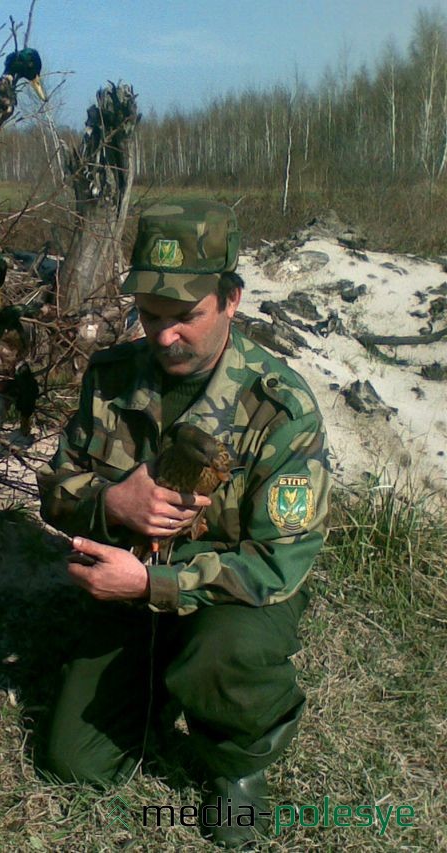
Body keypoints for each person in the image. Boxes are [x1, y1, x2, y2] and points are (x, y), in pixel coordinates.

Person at [37, 200, 331, 848]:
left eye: (185, 316)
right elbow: (55, 491)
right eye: (150, 315)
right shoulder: (110, 378)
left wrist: (154, 585)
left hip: (232, 601)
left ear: (231, 298)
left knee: (225, 653)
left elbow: (279, 562)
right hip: (125, 589)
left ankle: (240, 759)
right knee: (77, 765)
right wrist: (111, 503)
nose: (165, 335)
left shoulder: (279, 407)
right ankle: (161, 678)